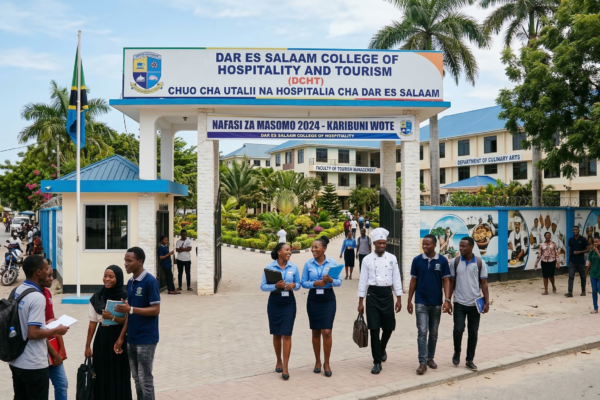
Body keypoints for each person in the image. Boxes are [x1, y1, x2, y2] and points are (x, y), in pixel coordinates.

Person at [9, 256, 69, 400]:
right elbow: (33, 333)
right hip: (34, 364)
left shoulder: (17, 291)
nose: (49, 272)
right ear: (38, 272)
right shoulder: (37, 297)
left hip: (17, 361)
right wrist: (57, 330)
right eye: (46, 268)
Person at [114, 247, 161, 400]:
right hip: (132, 338)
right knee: (136, 378)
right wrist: (122, 337)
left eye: (129, 261)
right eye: (125, 260)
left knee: (145, 379)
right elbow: (129, 313)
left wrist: (132, 309)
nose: (126, 264)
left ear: (140, 262)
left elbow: (156, 309)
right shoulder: (131, 282)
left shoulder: (150, 281)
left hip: (146, 339)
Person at [357, 228, 403, 374]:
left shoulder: (392, 258)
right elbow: (363, 281)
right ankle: (377, 361)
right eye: (379, 243)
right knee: (374, 329)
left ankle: (382, 347)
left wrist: (399, 298)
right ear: (374, 244)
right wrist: (360, 302)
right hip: (372, 295)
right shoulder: (367, 259)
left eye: (384, 243)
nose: (382, 246)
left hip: (387, 294)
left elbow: (396, 278)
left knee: (389, 327)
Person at [84, 265, 132, 400]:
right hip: (102, 339)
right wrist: (87, 346)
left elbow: (128, 321)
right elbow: (92, 322)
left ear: (118, 278)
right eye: (105, 276)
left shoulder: (125, 297)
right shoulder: (97, 297)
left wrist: (112, 317)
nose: (107, 279)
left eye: (111, 277)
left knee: (119, 373)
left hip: (119, 339)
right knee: (102, 373)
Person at [407, 234, 452, 375]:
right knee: (422, 331)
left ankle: (430, 358)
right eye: (423, 244)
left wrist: (447, 300)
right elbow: (413, 281)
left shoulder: (442, 260)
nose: (424, 246)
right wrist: (409, 300)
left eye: (427, 244)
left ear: (434, 245)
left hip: (436, 303)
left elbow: (446, 281)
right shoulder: (417, 260)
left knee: (433, 333)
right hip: (421, 302)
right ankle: (422, 362)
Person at [301, 236, 342, 378]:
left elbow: (339, 282)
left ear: (323, 249)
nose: (313, 249)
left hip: (328, 299)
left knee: (327, 331)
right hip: (314, 299)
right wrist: (314, 283)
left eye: (316, 247)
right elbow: (303, 282)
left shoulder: (332, 263)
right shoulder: (308, 264)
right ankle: (317, 361)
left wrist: (331, 280)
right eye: (312, 247)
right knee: (315, 331)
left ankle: (327, 363)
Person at [448, 237, 490, 372]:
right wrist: (448, 300)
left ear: (471, 247)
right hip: (459, 302)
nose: (461, 248)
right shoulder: (455, 262)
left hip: (475, 304)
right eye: (460, 246)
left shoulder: (479, 262)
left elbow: (484, 283)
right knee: (458, 329)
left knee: (473, 332)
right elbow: (451, 282)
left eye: (464, 246)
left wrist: (487, 301)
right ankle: (457, 351)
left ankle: (469, 360)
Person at [260, 243, 301, 380]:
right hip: (275, 302)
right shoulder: (269, 267)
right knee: (277, 333)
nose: (289, 252)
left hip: (289, 302)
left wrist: (294, 285)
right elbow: (263, 286)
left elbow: (299, 284)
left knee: (287, 334)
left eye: (290, 250)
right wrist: (275, 286)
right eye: (287, 250)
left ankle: (285, 367)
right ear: (279, 252)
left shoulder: (293, 267)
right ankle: (278, 360)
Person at [42, 261, 68, 400]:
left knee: (62, 384)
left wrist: (61, 348)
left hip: (52, 346)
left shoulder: (47, 293)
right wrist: (54, 354)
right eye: (49, 275)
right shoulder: (35, 297)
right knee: (42, 389)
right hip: (41, 349)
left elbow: (53, 321)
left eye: (52, 275)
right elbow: (37, 331)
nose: (52, 278)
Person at [566, 226, 590, 298]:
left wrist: (580, 252)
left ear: (579, 230)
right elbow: (570, 249)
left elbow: (588, 249)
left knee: (582, 277)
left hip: (580, 262)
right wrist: (569, 259)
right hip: (572, 262)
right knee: (571, 277)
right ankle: (570, 292)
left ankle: (583, 291)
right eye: (574, 230)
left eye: (576, 230)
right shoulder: (570, 239)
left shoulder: (583, 239)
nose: (575, 231)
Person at [586, 237, 600, 314]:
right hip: (593, 273)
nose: (595, 243)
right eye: (594, 242)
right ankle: (595, 308)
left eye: (597, 242)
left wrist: (597, 252)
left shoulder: (596, 251)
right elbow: (590, 262)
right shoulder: (592, 251)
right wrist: (586, 271)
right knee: (594, 291)